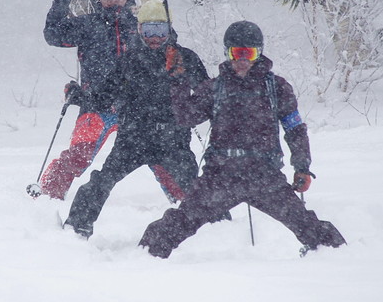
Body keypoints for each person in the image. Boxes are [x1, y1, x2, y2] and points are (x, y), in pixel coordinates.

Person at [139, 21, 346, 258]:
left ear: (260, 53)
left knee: (307, 225)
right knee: (179, 223)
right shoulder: (214, 88)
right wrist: (177, 81)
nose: (243, 60)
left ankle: (339, 258)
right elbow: (186, 117)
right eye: (237, 53)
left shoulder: (276, 88)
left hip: (265, 177)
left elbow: (295, 129)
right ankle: (143, 259)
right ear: (228, 53)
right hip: (221, 177)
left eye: (250, 53)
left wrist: (302, 166)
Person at [61, 0, 209, 238]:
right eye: (149, 30)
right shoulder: (129, 61)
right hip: (133, 139)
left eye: (161, 30)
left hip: (172, 141)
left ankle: (219, 230)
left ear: (169, 29)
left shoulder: (185, 59)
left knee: (197, 190)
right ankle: (76, 229)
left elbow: (207, 96)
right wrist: (81, 96)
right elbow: (103, 96)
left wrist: (191, 110)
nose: (155, 37)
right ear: (139, 30)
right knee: (101, 181)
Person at [33, 0, 175, 201]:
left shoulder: (139, 26)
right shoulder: (87, 25)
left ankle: (183, 200)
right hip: (97, 103)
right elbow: (53, 34)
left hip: (137, 107)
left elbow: (167, 45)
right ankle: (47, 196)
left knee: (159, 154)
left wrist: (166, 22)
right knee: (79, 153)